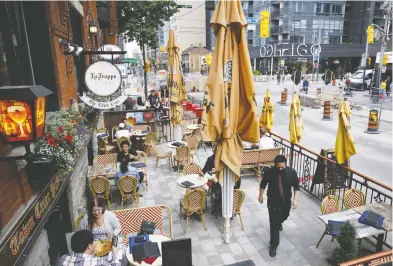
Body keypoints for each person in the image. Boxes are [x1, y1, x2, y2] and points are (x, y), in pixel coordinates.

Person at [258, 155, 300, 258]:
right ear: (275, 165)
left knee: (284, 216)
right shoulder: (269, 172)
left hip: (285, 201)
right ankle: (273, 245)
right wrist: (260, 196)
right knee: (274, 224)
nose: (280, 169)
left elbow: (296, 187)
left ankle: (279, 222)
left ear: (285, 164)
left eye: (282, 167)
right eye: (278, 167)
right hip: (272, 201)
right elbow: (263, 184)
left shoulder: (292, 172)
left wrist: (295, 200)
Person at [59, 230, 125, 266]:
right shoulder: (97, 261)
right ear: (89, 246)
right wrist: (115, 252)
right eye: (93, 243)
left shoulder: (63, 259)